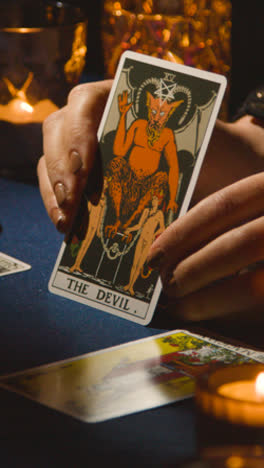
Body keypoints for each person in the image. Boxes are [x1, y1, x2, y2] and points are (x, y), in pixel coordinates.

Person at [37, 78, 264, 323]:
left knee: (155, 195)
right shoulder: (138, 127)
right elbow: (121, 147)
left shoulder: (167, 135)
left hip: (149, 185)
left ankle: (127, 231)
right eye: (153, 110)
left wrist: (171, 194)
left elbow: (173, 167)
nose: (157, 116)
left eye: (163, 112)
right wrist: (251, 141)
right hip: (127, 182)